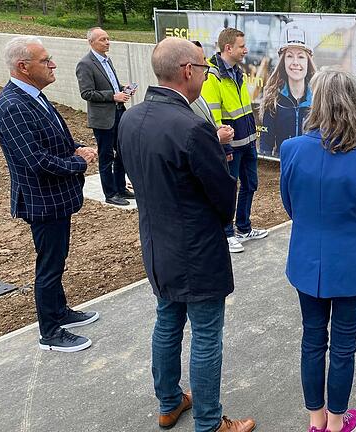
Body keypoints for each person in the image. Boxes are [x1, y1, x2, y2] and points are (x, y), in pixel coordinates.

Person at [118, 37, 256, 432]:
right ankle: (210, 423)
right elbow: (223, 196)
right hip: (196, 250)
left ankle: (169, 402)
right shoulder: (194, 128)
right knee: (206, 335)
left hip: (156, 245)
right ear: (187, 71)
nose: (206, 73)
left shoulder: (131, 118)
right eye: (204, 68)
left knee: (167, 321)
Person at [280, 68, 356, 432]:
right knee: (344, 345)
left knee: (312, 339)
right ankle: (338, 422)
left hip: (306, 259)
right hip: (352, 261)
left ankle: (316, 421)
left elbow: (289, 203)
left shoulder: (292, 149)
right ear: (355, 105)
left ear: (316, 103)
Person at [0, 36, 100, 352]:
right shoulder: (12, 106)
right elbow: (37, 161)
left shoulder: (33, 97)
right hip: (42, 201)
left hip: (55, 198)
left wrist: (74, 146)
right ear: (24, 67)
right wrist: (77, 162)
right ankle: (50, 333)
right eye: (45, 60)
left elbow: (51, 138)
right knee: (49, 266)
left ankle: (60, 312)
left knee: (56, 259)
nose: (53, 64)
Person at [201, 28, 269, 254]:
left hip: (248, 142)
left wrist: (252, 138)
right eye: (241, 46)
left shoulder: (236, 71)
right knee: (229, 190)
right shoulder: (213, 77)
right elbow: (213, 116)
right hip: (230, 146)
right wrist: (225, 145)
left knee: (250, 185)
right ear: (228, 48)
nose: (245, 50)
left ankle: (244, 227)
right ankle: (227, 233)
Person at [76, 27, 135, 206]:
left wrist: (122, 89)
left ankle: (120, 187)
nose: (107, 42)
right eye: (102, 39)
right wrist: (112, 96)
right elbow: (86, 93)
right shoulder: (85, 64)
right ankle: (110, 193)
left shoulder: (107, 61)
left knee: (123, 151)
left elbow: (111, 85)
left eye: (108, 39)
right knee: (106, 155)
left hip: (118, 112)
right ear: (91, 42)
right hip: (103, 118)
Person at [259, 25, 316, 156]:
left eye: (301, 57)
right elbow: (265, 145)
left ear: (308, 61)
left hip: (312, 168)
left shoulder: (319, 100)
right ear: (283, 61)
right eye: (290, 56)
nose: (295, 62)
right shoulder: (273, 100)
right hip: (283, 168)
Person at [190, 40, 236, 151]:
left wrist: (216, 129)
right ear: (189, 68)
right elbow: (189, 141)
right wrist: (218, 137)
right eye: (202, 60)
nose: (207, 64)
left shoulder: (196, 94)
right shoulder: (183, 101)